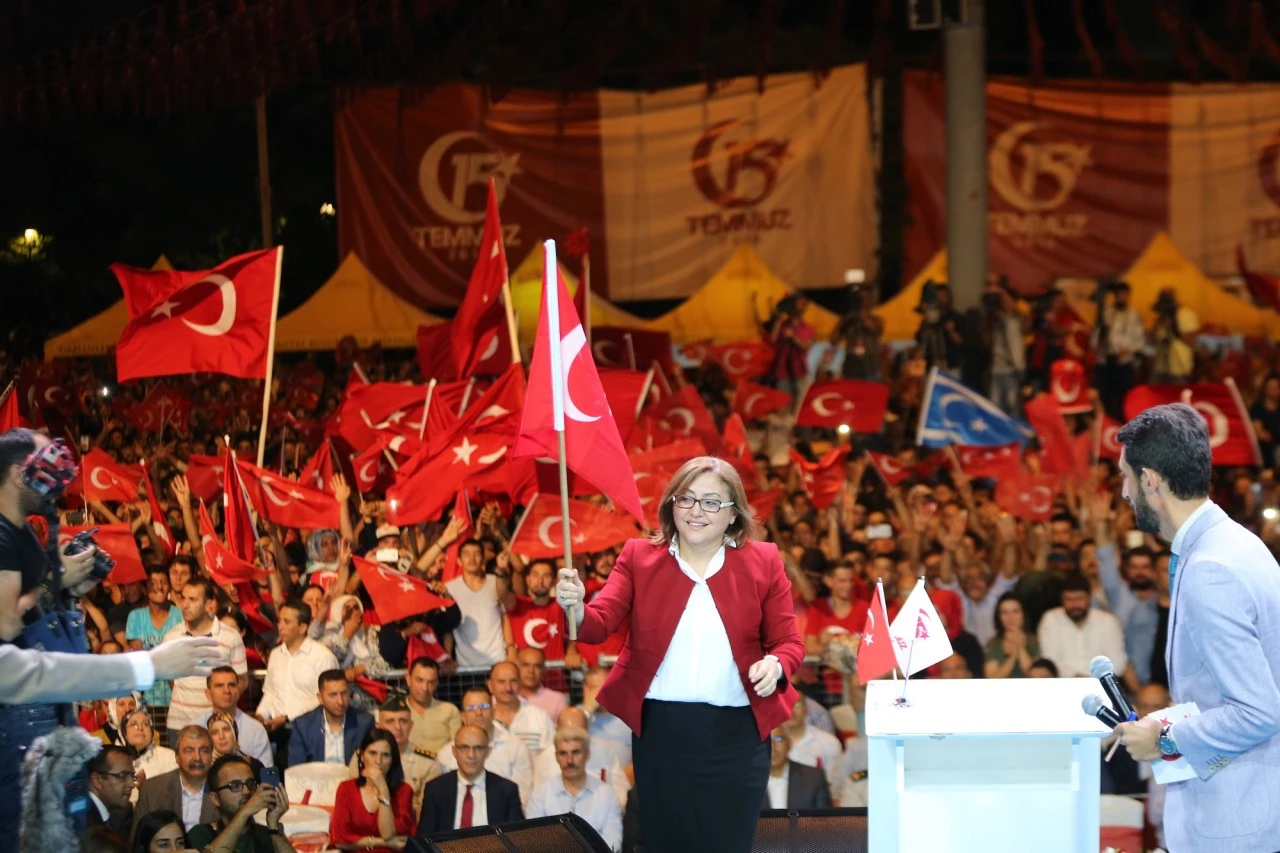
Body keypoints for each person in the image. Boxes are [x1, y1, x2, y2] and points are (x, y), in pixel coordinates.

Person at [555, 456, 805, 853]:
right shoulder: (638, 557)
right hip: (663, 735)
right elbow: (598, 623)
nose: (695, 510)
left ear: (733, 514)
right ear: (671, 504)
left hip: (738, 738)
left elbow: (790, 642)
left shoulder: (764, 560)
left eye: (711, 502)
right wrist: (576, 607)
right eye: (685, 499)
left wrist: (775, 664)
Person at [1113, 403, 1280, 851]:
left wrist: (1165, 739)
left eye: (1126, 478)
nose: (1124, 492)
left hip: (1238, 822)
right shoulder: (1236, 543)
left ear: (1151, 480)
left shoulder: (1211, 569)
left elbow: (1259, 712)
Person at [0, 429, 108, 853]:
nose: (56, 478)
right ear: (16, 473)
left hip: (42, 699)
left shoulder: (22, 530)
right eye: (44, 467)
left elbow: (35, 605)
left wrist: (72, 587)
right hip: (17, 711)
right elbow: (6, 623)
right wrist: (54, 577)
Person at [161, 578, 249, 735]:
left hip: (218, 725)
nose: (185, 605)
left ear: (208, 604)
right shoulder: (171, 638)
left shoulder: (230, 637)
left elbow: (242, 680)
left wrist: (223, 703)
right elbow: (172, 680)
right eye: (183, 598)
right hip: (179, 725)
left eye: (192, 600)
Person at [256, 599, 340, 745]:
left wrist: (287, 717)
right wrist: (260, 715)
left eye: (287, 622)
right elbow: (270, 692)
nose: (280, 626)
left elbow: (327, 698)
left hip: (312, 732)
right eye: (279, 621)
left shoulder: (323, 656)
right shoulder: (275, 655)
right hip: (278, 733)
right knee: (274, 761)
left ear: (302, 628)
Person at [526, 726, 622, 852]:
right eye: (563, 753)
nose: (570, 761)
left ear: (587, 754)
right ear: (556, 757)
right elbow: (535, 842)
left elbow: (613, 843)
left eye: (576, 752)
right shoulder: (540, 795)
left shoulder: (607, 794)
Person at [415, 725, 523, 836]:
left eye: (478, 748)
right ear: (454, 751)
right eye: (464, 747)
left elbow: (518, 839)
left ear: (488, 751)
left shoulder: (506, 790)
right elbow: (425, 839)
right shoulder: (436, 789)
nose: (471, 755)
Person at [435, 687, 533, 807]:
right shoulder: (446, 754)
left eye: (484, 706)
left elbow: (522, 798)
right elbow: (443, 800)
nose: (478, 713)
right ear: (463, 716)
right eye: (471, 708)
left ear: (493, 711)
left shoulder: (517, 748)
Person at [348, 696, 443, 818]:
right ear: (378, 726)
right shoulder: (361, 756)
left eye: (403, 721)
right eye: (390, 721)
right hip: (364, 818)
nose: (398, 727)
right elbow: (352, 797)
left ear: (411, 725)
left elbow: (429, 809)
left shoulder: (427, 762)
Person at [329, 729, 416, 852]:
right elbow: (340, 840)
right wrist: (385, 843)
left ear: (393, 760)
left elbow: (387, 834)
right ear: (362, 756)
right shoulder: (346, 789)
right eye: (372, 753)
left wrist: (383, 790)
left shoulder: (404, 791)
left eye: (385, 755)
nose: (378, 761)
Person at [187, 755, 294, 853]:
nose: (246, 791)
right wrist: (245, 811)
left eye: (250, 783)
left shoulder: (266, 834)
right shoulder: (201, 833)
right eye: (235, 786)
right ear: (215, 798)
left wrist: (274, 827)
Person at [132, 726, 218, 836]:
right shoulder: (151, 790)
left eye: (204, 751)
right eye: (189, 751)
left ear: (211, 756)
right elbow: (138, 840)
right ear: (177, 756)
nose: (197, 758)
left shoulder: (222, 789)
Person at [443, 539, 515, 667]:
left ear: (483, 560)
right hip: (466, 665)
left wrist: (511, 650)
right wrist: (447, 656)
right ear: (459, 560)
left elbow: (505, 616)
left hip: (498, 661)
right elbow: (448, 627)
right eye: (467, 554)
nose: (472, 558)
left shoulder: (496, 582)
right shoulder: (449, 588)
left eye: (476, 554)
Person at [288, 669, 373, 767]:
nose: (340, 701)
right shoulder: (303, 725)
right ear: (320, 698)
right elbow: (296, 769)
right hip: (316, 776)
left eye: (344, 693)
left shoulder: (365, 722)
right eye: (333, 695)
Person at [199, 666, 273, 767]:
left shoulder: (256, 730)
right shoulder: (196, 727)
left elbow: (269, 773)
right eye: (219, 686)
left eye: (231, 685)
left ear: (238, 692)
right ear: (208, 693)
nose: (227, 690)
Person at [488, 661, 555, 758]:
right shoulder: (483, 718)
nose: (508, 688)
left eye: (513, 681)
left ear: (520, 684)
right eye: (501, 682)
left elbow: (551, 755)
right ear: (490, 686)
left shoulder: (540, 716)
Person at [764, 728, 831, 811]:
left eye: (778, 739)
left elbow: (825, 818)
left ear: (789, 743)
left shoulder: (814, 778)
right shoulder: (748, 782)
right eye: (765, 740)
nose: (772, 747)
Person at [403, 657, 460, 754]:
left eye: (431, 682)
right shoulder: (396, 713)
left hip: (443, 763)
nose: (425, 688)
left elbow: (458, 747)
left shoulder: (450, 710)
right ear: (408, 679)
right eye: (419, 680)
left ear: (437, 683)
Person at [983, 593, 1038, 678]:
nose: (1010, 617)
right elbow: (992, 679)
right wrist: (1013, 656)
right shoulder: (992, 644)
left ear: (1023, 615)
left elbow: (1035, 676)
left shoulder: (1034, 640)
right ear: (999, 617)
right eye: (1005, 613)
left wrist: (1021, 648)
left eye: (1015, 611)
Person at [86, 744, 137, 836]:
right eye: (122, 775)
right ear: (97, 780)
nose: (132, 784)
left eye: (132, 776)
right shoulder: (84, 824)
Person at [120, 708, 178, 788]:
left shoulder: (167, 757)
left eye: (145, 724)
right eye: (134, 724)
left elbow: (174, 790)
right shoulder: (116, 759)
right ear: (124, 733)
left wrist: (146, 787)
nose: (140, 728)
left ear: (152, 732)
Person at [514, 647, 568, 724]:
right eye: (526, 665)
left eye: (537, 666)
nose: (531, 671)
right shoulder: (505, 696)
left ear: (544, 670)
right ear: (517, 668)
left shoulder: (557, 699)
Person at [208, 712, 265, 778]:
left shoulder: (253, 765)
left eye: (226, 730)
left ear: (235, 734)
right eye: (215, 732)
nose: (221, 736)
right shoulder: (206, 768)